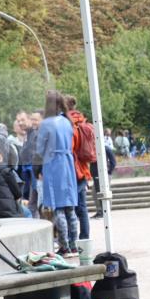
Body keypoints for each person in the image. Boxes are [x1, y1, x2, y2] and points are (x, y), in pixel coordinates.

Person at [36, 90, 80, 255]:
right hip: (68, 163)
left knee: (58, 207)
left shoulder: (46, 123)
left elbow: (39, 150)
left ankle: (64, 246)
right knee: (70, 207)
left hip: (53, 164)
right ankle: (74, 244)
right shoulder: (66, 121)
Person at [64, 95, 94, 244]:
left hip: (73, 170)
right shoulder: (82, 121)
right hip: (83, 169)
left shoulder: (69, 124)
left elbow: (69, 147)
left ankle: (73, 240)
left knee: (71, 207)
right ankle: (85, 237)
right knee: (82, 207)